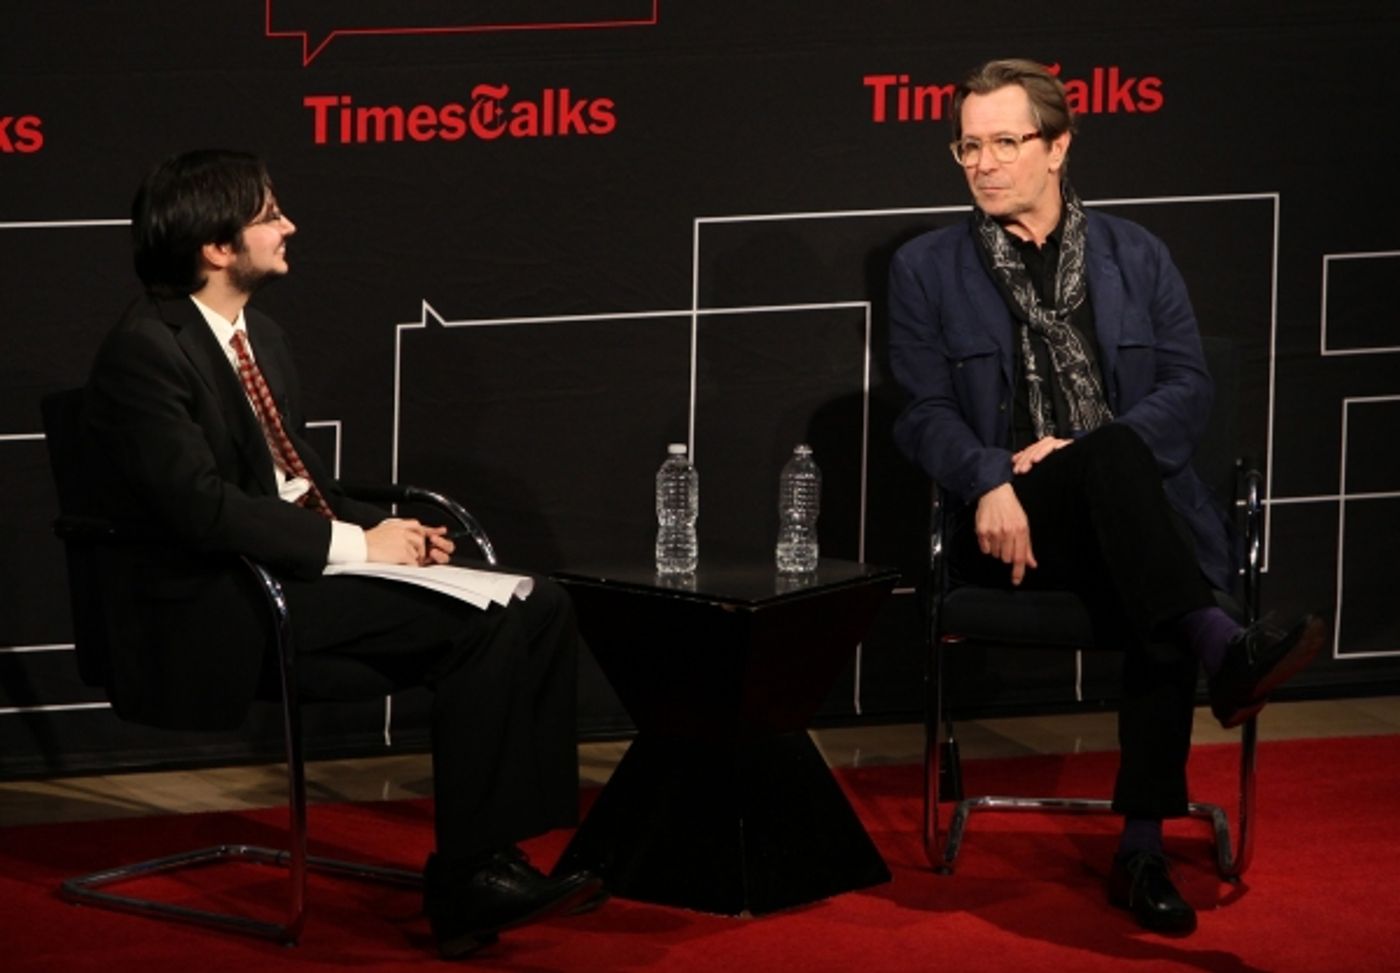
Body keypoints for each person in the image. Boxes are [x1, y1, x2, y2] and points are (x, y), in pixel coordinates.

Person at [80, 149, 601, 959]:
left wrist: (394, 536)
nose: (289, 226)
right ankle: (469, 876)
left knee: (538, 601)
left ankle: (499, 856)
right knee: (486, 626)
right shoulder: (147, 349)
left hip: (290, 572)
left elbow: (296, 484)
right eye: (269, 214)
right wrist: (360, 542)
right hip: (223, 605)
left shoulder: (262, 337)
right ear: (218, 246)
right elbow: (201, 509)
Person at [888, 59, 1325, 935]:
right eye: (967, 146)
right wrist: (988, 476)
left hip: (1130, 514)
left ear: (1057, 148)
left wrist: (1087, 451)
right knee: (1162, 558)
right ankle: (1216, 664)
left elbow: (1187, 389)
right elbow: (921, 412)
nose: (982, 162)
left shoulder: (1137, 255)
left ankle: (1141, 851)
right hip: (1010, 518)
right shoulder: (925, 267)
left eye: (1005, 142)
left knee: (1125, 479)